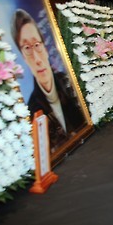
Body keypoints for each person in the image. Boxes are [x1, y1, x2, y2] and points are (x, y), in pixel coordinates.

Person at [11, 9, 86, 151]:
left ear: (45, 49)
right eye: (27, 48)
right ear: (23, 57)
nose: (37, 59)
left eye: (37, 45)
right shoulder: (33, 108)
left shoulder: (67, 82)